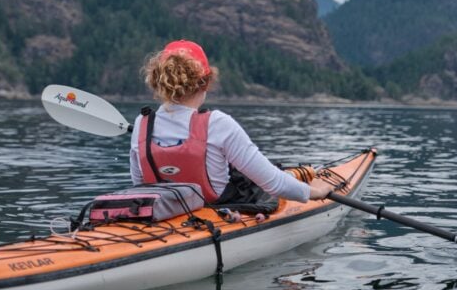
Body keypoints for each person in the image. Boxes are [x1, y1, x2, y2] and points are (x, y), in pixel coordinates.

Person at [129, 40, 332, 204]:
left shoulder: (142, 123)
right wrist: (317, 192)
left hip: (164, 213)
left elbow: (140, 185)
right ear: (206, 82)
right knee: (258, 181)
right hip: (218, 207)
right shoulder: (217, 124)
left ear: (158, 81)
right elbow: (275, 184)